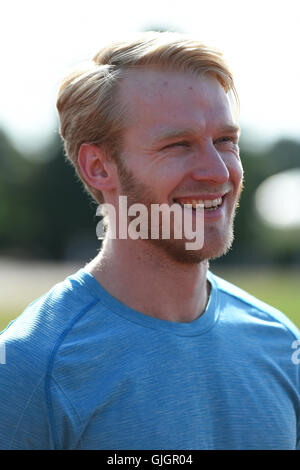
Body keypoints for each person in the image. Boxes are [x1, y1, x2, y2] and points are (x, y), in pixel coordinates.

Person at [0, 31, 299, 450]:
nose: (217, 171)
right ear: (99, 167)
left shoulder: (281, 343)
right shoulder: (31, 367)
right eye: (178, 144)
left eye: (225, 141)